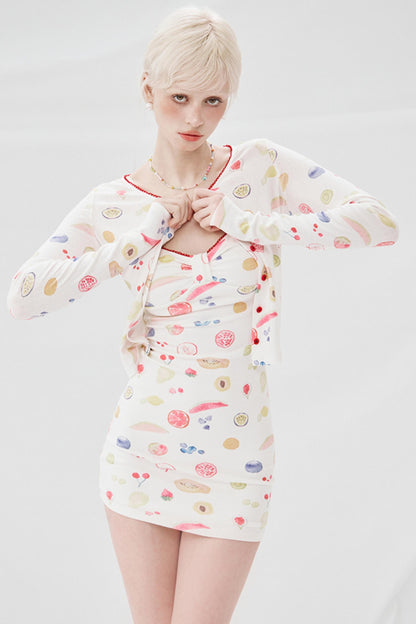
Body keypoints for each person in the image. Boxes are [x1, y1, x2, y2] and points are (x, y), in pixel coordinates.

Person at [6, 5, 400, 624]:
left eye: (213, 100)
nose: (194, 117)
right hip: (143, 448)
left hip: (237, 453)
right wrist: (138, 239)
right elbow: (25, 296)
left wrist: (251, 223)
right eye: (179, 97)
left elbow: (378, 223)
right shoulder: (114, 204)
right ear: (148, 90)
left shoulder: (260, 169)